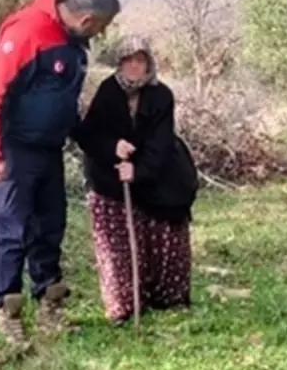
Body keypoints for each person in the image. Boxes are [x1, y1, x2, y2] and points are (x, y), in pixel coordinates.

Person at [0, 0, 121, 344]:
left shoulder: (73, 45)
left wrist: (102, 146)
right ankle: (6, 312)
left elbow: (64, 106)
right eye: (101, 27)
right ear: (87, 19)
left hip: (48, 150)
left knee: (49, 227)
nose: (101, 34)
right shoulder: (29, 31)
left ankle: (49, 306)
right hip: (12, 151)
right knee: (11, 231)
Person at [76, 35, 197, 325]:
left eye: (140, 60)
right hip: (110, 178)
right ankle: (125, 304)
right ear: (119, 63)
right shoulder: (108, 91)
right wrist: (112, 148)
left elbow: (161, 142)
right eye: (128, 60)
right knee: (118, 245)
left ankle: (167, 298)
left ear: (149, 65)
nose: (133, 66)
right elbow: (89, 135)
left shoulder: (161, 95)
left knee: (165, 231)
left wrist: (139, 171)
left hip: (157, 176)